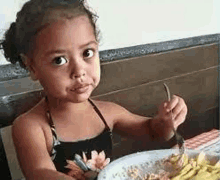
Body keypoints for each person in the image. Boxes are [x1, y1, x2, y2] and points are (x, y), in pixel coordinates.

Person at [0, 0, 187, 179]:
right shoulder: (31, 126)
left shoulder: (107, 112)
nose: (79, 71)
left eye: (87, 53)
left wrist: (166, 122)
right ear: (32, 67)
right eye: (59, 60)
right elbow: (40, 173)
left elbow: (153, 132)